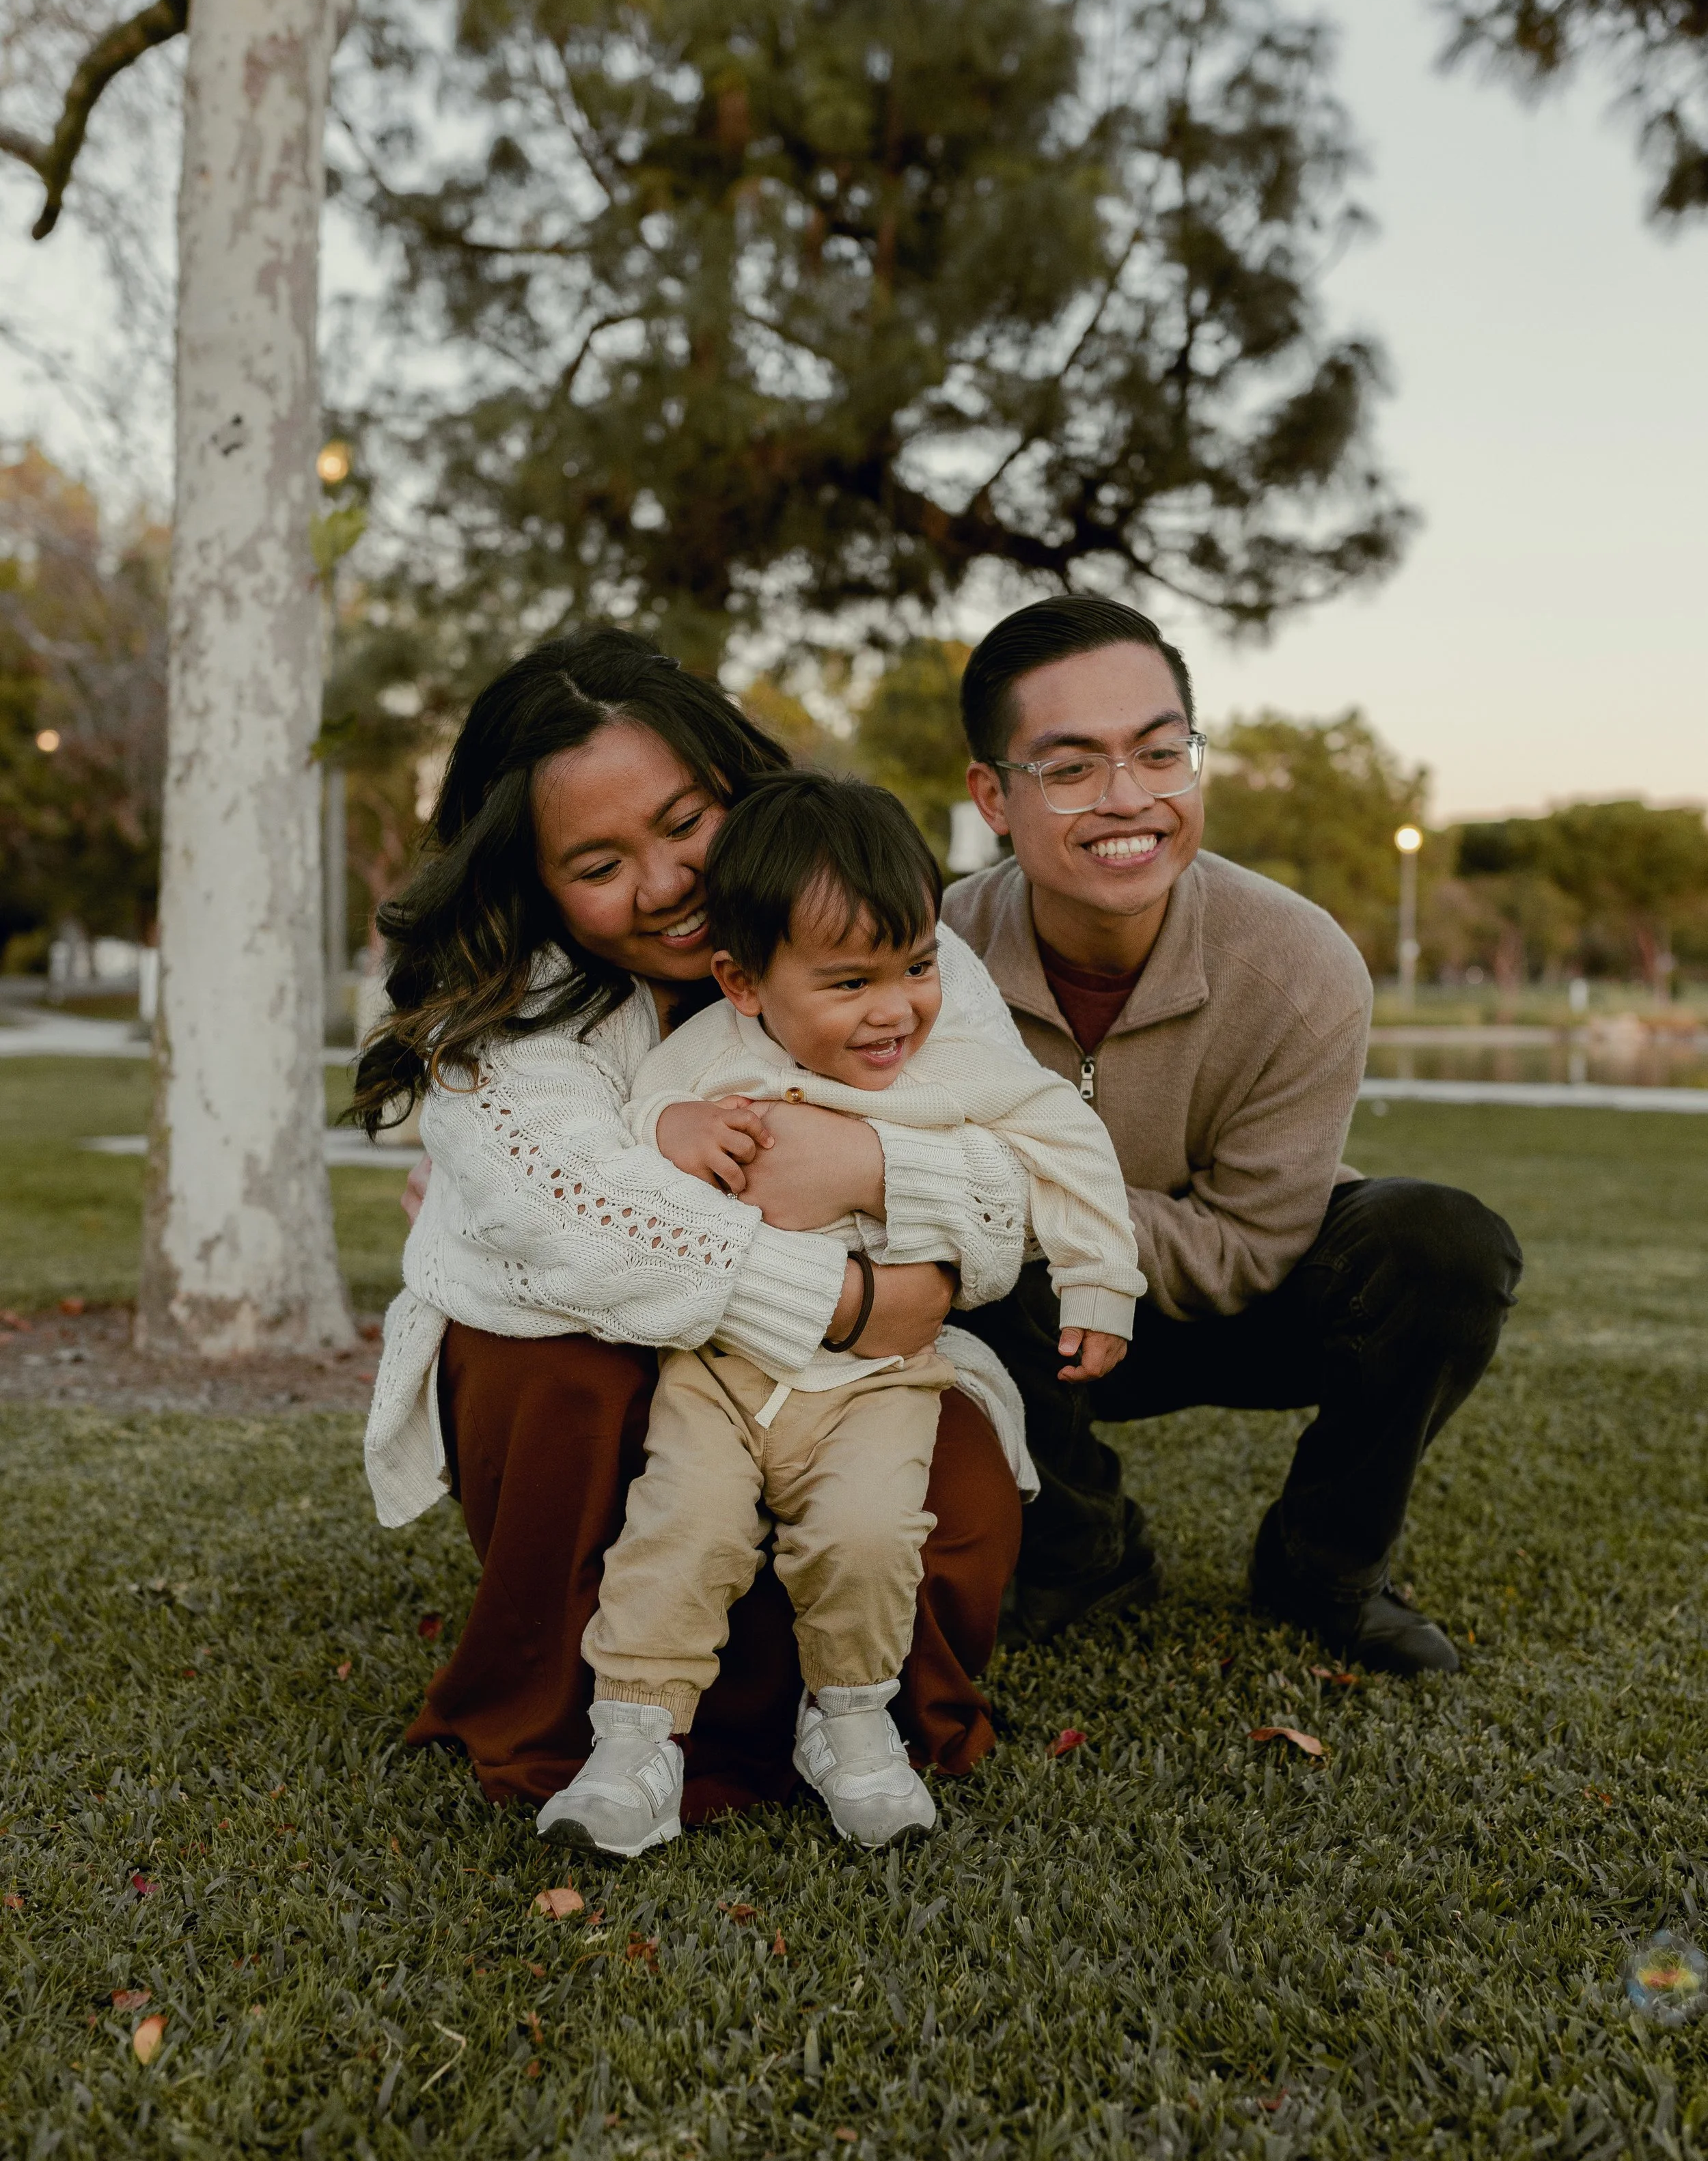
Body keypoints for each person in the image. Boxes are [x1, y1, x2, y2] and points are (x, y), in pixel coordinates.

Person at [356, 629, 1034, 1821]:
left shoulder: (875, 925)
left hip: (836, 1384)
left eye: (683, 823)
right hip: (615, 1363)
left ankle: (843, 1722)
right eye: (600, 860)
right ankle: (609, 1729)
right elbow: (570, 1214)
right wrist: (856, 1297)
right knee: (570, 1384)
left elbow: (1009, 1177)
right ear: (528, 874)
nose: (665, 883)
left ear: (735, 783)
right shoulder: (504, 1006)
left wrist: (864, 1160)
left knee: (955, 1497)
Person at [547, 773, 1142, 1856]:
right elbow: (619, 1136)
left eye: (916, 965)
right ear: (742, 981)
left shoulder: (952, 1060)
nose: (894, 1007)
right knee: (681, 1530)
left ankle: (852, 1723)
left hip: (879, 1379)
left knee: (868, 1537)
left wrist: (1104, 1283)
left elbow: (1067, 1144)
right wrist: (671, 1126)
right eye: (850, 980)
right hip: (720, 1372)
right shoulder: (704, 1059)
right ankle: (635, 1742)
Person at [946, 597, 1524, 1675]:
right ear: (993, 795)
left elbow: (1253, 1243)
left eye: (1162, 754)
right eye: (1070, 768)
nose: (1131, 799)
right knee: (954, 1248)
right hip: (1024, 1313)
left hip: (1243, 1300)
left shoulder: (1302, 962)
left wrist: (1036, 1203)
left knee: (1443, 1243)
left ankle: (1325, 1560)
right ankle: (1082, 1547)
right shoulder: (930, 958)